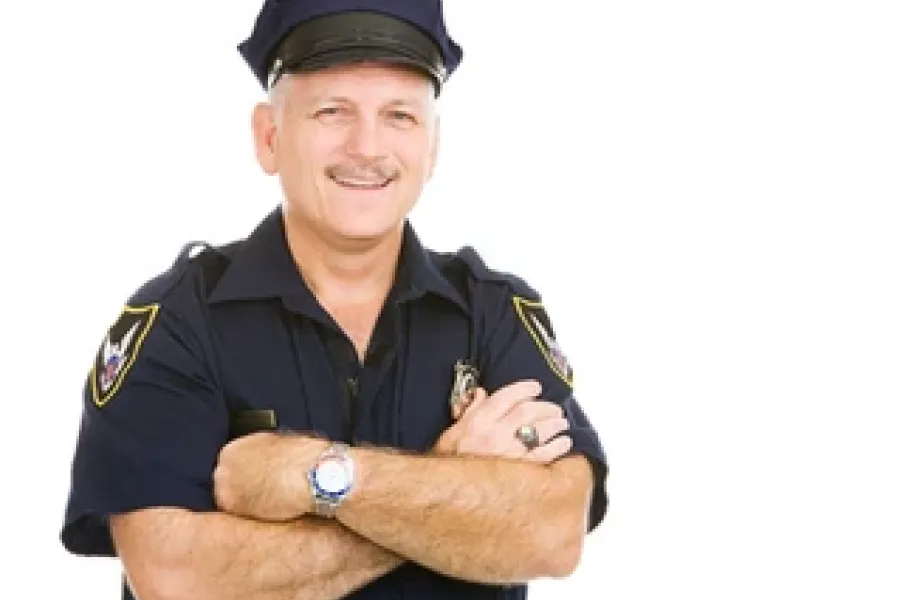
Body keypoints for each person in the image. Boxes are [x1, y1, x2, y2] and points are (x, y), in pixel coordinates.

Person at [59, 1, 609, 598]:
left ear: (432, 146)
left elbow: (554, 533)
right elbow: (172, 578)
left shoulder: (493, 315)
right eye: (332, 112)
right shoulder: (179, 322)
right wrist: (452, 489)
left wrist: (317, 476)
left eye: (399, 115)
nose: (366, 147)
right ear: (269, 137)